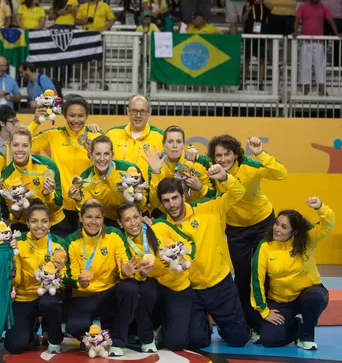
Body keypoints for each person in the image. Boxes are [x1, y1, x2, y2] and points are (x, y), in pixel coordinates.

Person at [198, 135, 288, 339]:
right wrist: (192, 153)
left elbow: (281, 173)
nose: (222, 159)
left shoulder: (249, 166)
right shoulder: (213, 168)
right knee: (241, 275)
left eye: (227, 154)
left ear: (236, 153)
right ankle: (244, 322)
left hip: (262, 223)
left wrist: (260, 153)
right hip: (236, 229)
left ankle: (263, 320)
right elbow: (193, 158)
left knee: (260, 271)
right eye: (218, 155)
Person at [152, 165, 250, 349]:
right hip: (191, 291)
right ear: (161, 203)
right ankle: (202, 324)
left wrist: (225, 177)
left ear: (183, 195)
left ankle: (228, 326)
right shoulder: (160, 226)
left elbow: (238, 192)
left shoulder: (209, 207)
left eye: (175, 198)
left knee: (239, 340)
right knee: (197, 341)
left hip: (220, 284)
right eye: (166, 201)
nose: (172, 204)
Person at [251, 197, 335, 350]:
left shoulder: (308, 239)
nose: (277, 229)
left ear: (294, 232)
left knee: (314, 297)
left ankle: (306, 336)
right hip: (280, 301)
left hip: (307, 294)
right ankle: (296, 325)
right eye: (276, 223)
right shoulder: (265, 247)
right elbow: (257, 280)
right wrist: (264, 311)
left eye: (284, 227)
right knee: (270, 341)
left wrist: (320, 208)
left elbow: (328, 224)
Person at [116, 202, 192, 351]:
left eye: (136, 217)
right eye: (127, 220)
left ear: (142, 216)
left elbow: (189, 243)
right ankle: (148, 331)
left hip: (176, 287)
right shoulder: (121, 241)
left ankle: (168, 325)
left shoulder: (158, 226)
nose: (133, 223)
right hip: (154, 285)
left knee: (182, 341)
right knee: (142, 290)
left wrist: (185, 257)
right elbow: (129, 271)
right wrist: (141, 274)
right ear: (120, 223)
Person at [66, 199, 136, 357]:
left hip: (109, 293)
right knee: (75, 327)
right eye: (89, 217)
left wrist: (125, 271)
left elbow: (123, 262)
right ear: (81, 218)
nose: (93, 222)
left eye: (98, 217)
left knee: (130, 287)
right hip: (85, 296)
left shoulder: (114, 234)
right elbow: (69, 275)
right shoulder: (72, 240)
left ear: (103, 218)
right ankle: (95, 337)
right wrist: (79, 282)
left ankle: (117, 342)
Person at [29, 95, 102, 232]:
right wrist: (35, 122)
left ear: (87, 115)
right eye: (72, 115)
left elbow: (107, 167)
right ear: (64, 115)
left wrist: (94, 155)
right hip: (60, 210)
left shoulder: (96, 137)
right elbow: (26, 144)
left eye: (81, 116)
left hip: (88, 207)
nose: (76, 120)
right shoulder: (54, 135)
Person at [5, 201, 67, 354]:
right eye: (34, 221)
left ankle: (54, 337)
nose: (39, 226)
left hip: (48, 296)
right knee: (14, 346)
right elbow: (17, 281)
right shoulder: (18, 245)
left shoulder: (59, 244)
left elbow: (65, 282)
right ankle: (30, 333)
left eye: (44, 221)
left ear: (50, 223)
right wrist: (11, 266)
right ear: (27, 223)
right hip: (24, 297)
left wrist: (59, 276)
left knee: (49, 302)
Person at [1, 127, 67, 235]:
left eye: (25, 145)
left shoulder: (48, 165)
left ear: (31, 147)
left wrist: (48, 195)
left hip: (54, 222)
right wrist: (18, 205)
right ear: (10, 146)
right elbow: (16, 216)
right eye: (16, 145)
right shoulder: (6, 177)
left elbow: (58, 205)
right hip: (24, 224)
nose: (20, 149)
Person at [70, 136, 147, 226]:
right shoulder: (84, 179)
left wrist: (139, 199)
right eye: (98, 154)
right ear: (91, 155)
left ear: (112, 155)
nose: (102, 159)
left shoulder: (129, 169)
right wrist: (79, 199)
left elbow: (144, 202)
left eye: (106, 154)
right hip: (105, 221)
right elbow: (89, 209)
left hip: (131, 218)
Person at [144, 125, 214, 212]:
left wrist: (200, 187)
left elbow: (214, 197)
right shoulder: (156, 163)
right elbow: (155, 203)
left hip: (197, 214)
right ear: (163, 144)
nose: (174, 145)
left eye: (179, 141)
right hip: (167, 214)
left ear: (184, 144)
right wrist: (156, 173)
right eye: (170, 141)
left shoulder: (199, 161)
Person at [294, 0, 342, 96]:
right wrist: (296, 31)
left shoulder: (323, 7)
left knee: (320, 65)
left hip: (319, 41)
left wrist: (336, 33)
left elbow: (331, 21)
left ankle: (321, 87)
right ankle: (305, 87)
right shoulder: (303, 6)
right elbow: (297, 20)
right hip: (305, 40)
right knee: (304, 65)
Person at [242, 0, 271, 90]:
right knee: (246, 60)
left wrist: (263, 1)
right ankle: (243, 82)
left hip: (261, 35)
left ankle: (261, 82)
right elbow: (243, 19)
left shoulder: (265, 5)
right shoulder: (248, 5)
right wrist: (248, 10)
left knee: (262, 60)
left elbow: (271, 8)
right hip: (249, 36)